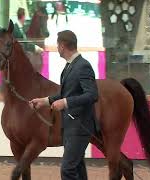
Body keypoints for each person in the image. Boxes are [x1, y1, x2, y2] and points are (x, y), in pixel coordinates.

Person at [29, 30, 98, 180]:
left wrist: (66, 103)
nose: (57, 47)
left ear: (62, 46)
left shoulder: (83, 66)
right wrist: (45, 101)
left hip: (80, 127)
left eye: (57, 44)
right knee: (78, 170)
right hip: (70, 127)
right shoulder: (70, 66)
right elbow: (66, 93)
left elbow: (92, 95)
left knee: (67, 170)